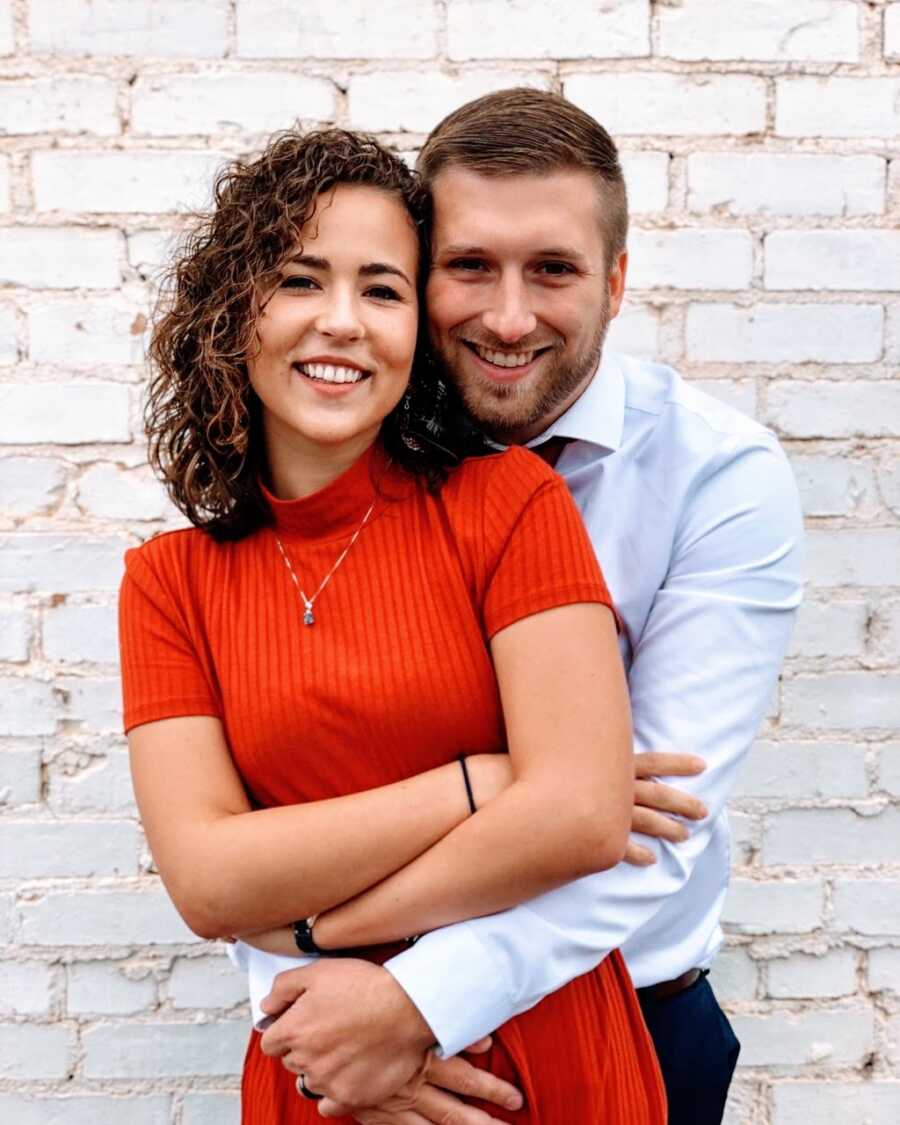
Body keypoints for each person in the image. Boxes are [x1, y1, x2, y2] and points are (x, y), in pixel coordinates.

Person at [252, 90, 805, 1125]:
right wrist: (315, 1009)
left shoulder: (718, 476)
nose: (509, 317)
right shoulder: (331, 451)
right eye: (469, 267)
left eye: (553, 269)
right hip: (342, 1032)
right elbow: (269, 791)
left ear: (617, 279)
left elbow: (651, 828)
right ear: (418, 279)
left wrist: (413, 1001)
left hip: (629, 1016)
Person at [118, 127, 667, 1123]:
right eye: (299, 281)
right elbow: (206, 882)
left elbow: (583, 818)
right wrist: (476, 786)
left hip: (537, 1051)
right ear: (232, 313)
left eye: (381, 289)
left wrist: (331, 941)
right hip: (322, 1074)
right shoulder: (169, 584)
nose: (342, 323)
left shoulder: (510, 504)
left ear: (417, 327)